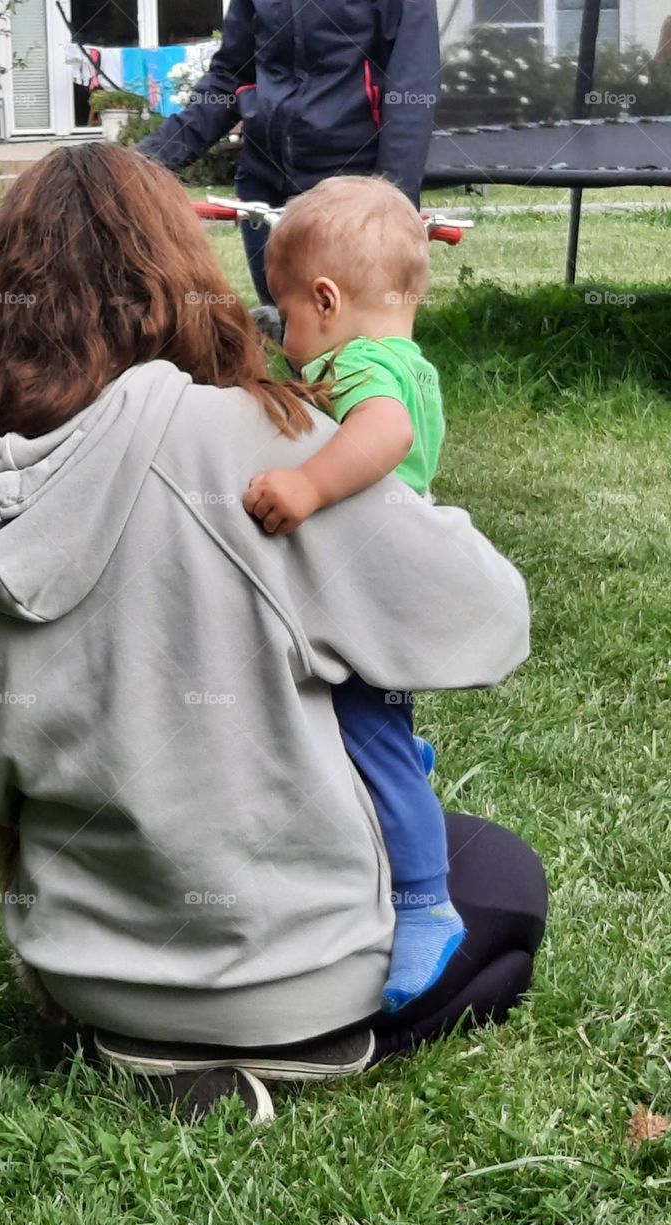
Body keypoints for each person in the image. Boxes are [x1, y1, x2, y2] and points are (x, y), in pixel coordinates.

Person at [0, 144, 546, 1125]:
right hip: (294, 976)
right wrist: (409, 502)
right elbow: (491, 615)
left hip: (84, 979)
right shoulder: (259, 440)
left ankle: (147, 1040)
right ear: (185, 275)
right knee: (503, 873)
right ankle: (309, 1045)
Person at [243, 174, 459, 1015]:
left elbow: (384, 435)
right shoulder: (407, 360)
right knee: (370, 727)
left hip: (366, 598)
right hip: (386, 595)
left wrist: (305, 489)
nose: (287, 335)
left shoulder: (362, 364)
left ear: (326, 300)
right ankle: (402, 767)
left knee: (365, 734)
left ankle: (426, 903)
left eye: (288, 316)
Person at [138, 0, 440, 304]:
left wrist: (392, 205)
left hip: (350, 192)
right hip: (264, 184)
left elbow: (411, 95)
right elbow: (229, 78)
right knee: (288, 333)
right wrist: (144, 162)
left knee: (354, 338)